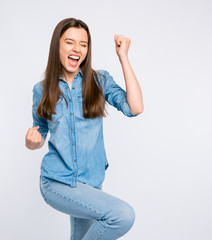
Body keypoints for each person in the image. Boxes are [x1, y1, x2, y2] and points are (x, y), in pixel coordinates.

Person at [25, 18, 143, 240]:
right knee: (121, 215)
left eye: (84, 44)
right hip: (57, 182)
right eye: (70, 42)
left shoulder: (99, 81)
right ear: (57, 46)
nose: (77, 49)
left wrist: (123, 58)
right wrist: (33, 141)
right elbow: (39, 131)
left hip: (91, 183)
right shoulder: (41, 90)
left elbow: (134, 108)